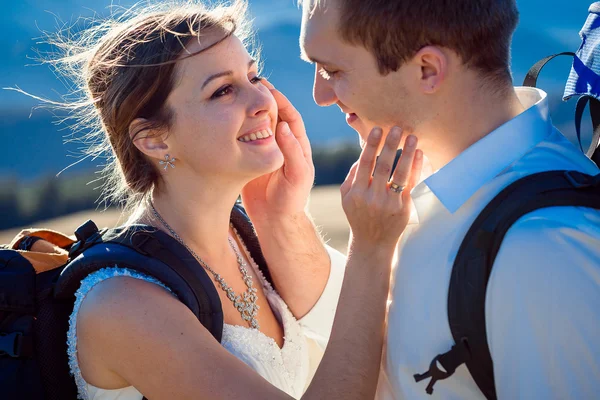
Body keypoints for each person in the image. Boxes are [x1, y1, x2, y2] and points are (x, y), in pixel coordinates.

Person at [26, 1, 424, 399]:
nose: (263, 102)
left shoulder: (250, 241)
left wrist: (284, 218)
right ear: (154, 139)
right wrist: (370, 248)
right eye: (223, 91)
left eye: (255, 76)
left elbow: (384, 347)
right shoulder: (121, 301)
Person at [299, 0, 600, 398]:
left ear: (427, 69)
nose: (319, 95)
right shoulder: (418, 197)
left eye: (332, 71)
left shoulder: (543, 250)